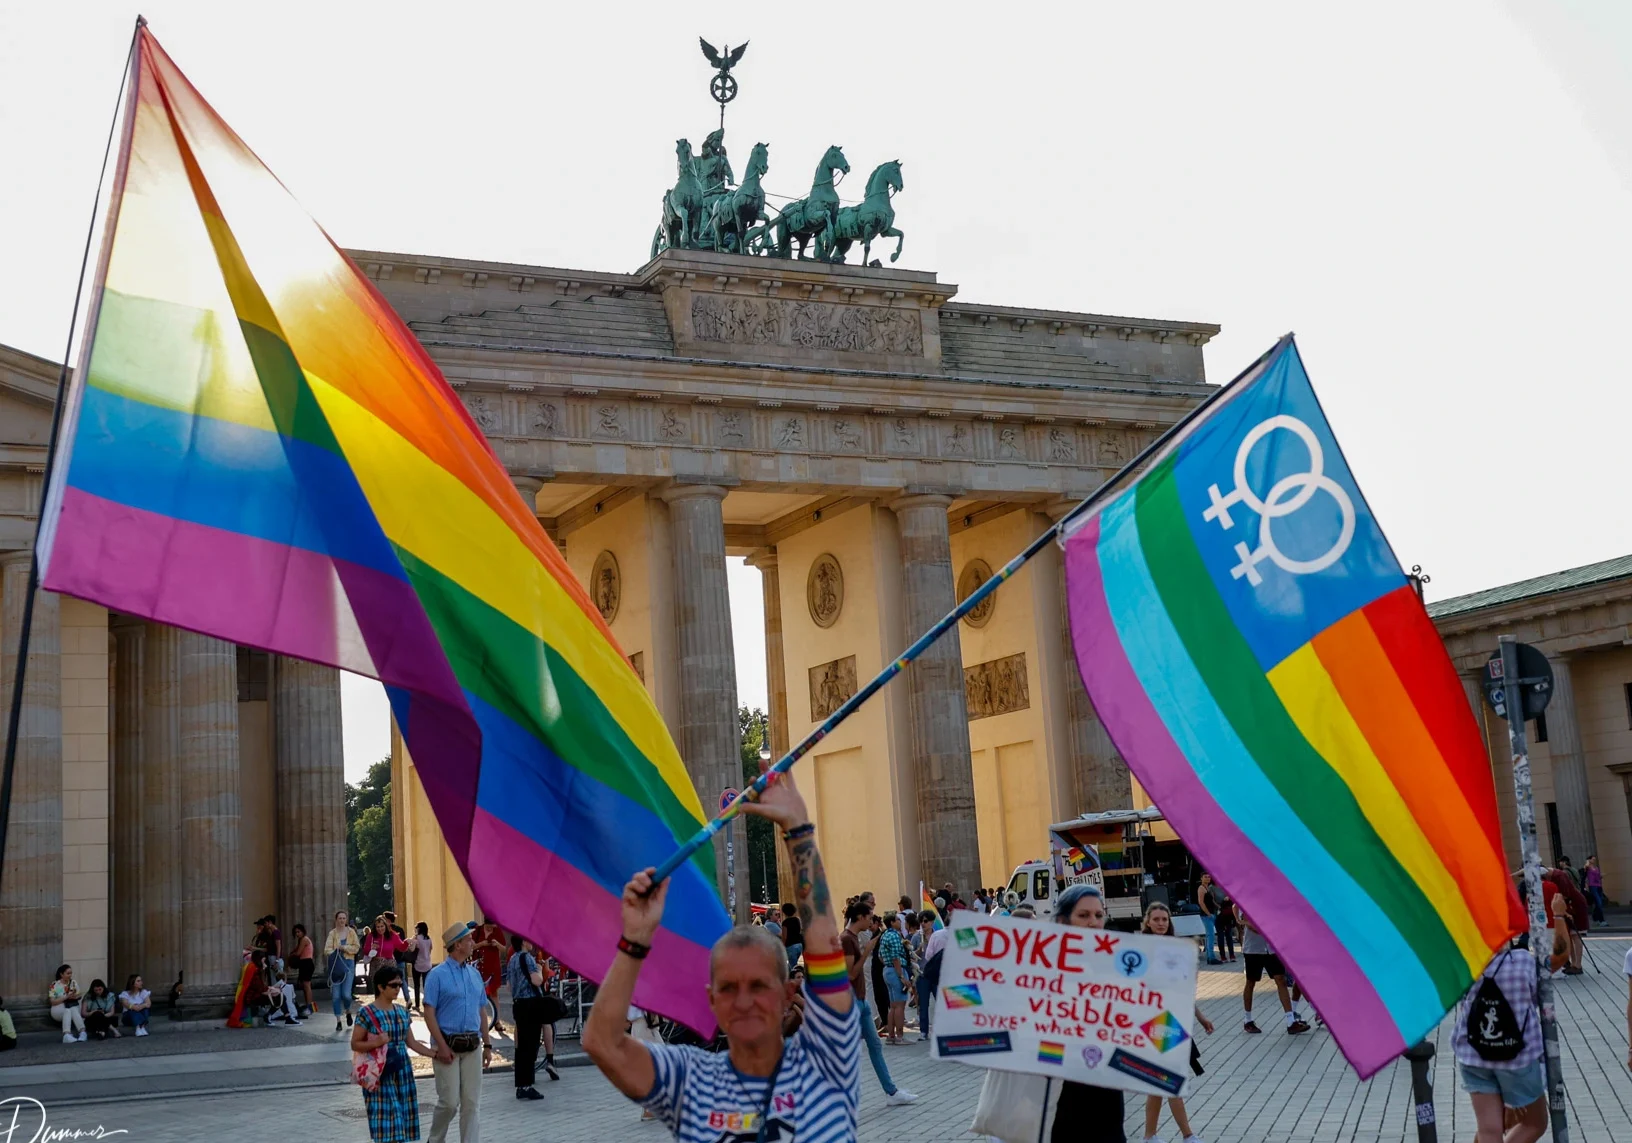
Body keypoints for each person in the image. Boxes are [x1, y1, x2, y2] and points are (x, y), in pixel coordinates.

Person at [583, 771, 866, 1139]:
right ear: (711, 1000)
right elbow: (602, 1042)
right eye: (729, 988)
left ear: (787, 993)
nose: (744, 1000)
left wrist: (799, 832)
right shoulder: (690, 1080)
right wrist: (635, 940)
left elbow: (826, 946)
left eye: (759, 986)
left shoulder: (826, 1059)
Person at [1452, 940, 1546, 1143]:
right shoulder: (1523, 961)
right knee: (1535, 1122)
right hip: (1517, 1059)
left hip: (1473, 1056)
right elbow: (1537, 996)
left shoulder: (1465, 962)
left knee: (1488, 1130)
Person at [1141, 904, 1213, 1143]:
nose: (1161, 923)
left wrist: (1201, 1017)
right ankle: (1187, 1135)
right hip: (1151, 1022)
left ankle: (1150, 1135)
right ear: (1148, 922)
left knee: (1160, 1083)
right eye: (1157, 919)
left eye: (1165, 919)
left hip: (1171, 1021)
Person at [840, 900, 918, 1104]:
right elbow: (850, 974)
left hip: (860, 1002)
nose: (871, 921)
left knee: (875, 1046)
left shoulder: (853, 937)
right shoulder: (847, 939)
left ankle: (891, 1092)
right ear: (860, 917)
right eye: (869, 917)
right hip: (851, 1003)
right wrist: (867, 950)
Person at [423, 920, 494, 1142]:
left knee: (472, 1103)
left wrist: (488, 1044)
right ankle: (435, 1140)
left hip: (473, 1045)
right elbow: (428, 1013)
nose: (473, 942)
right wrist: (441, 1046)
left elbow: (481, 1011)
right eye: (468, 939)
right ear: (457, 945)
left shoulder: (474, 975)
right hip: (448, 1045)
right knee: (449, 1102)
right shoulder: (437, 975)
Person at [354, 963, 436, 1143]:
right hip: (379, 1071)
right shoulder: (366, 1012)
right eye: (393, 985)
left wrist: (435, 1055)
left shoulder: (401, 1012)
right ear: (381, 987)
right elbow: (355, 1044)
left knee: (402, 1119)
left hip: (401, 1068)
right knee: (388, 1119)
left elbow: (412, 1042)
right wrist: (376, 1042)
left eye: (400, 984)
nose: (398, 989)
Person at [1234, 905, 1308, 1034]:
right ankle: (1248, 1020)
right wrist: (1242, 921)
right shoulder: (1245, 901)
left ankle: (1291, 1021)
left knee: (1281, 980)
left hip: (1271, 949)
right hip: (1253, 949)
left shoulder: (1269, 901)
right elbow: (1253, 926)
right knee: (1251, 982)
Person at [506, 934, 550, 1102]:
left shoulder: (512, 960)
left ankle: (521, 1085)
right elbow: (537, 981)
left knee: (521, 1047)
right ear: (524, 942)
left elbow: (509, 986)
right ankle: (527, 1086)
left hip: (518, 1004)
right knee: (530, 1046)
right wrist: (539, 968)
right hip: (530, 1004)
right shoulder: (528, 958)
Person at [325, 909, 362, 1032]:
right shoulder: (332, 933)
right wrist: (336, 951)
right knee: (336, 995)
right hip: (336, 965)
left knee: (346, 994)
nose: (342, 920)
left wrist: (344, 948)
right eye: (339, 918)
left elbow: (356, 947)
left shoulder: (351, 932)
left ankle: (348, 1010)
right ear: (336, 920)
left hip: (348, 964)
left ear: (346, 920)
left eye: (343, 918)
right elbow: (327, 950)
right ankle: (338, 1021)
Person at [471, 917, 508, 1037]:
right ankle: (477, 1020)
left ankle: (497, 1021)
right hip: (478, 967)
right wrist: (482, 944)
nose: (490, 929)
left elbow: (504, 949)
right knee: (477, 993)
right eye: (488, 927)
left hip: (493, 966)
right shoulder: (477, 931)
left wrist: (497, 944)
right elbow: (471, 947)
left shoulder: (497, 932)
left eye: (492, 927)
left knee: (494, 993)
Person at [878, 910, 910, 1044]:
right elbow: (896, 957)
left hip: (887, 970)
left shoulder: (884, 935)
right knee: (900, 1006)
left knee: (893, 1005)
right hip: (896, 971)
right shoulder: (894, 936)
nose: (900, 921)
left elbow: (880, 955)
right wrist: (902, 976)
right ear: (892, 922)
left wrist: (888, 964)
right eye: (897, 919)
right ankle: (900, 1036)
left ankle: (891, 1036)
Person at [917, 910, 947, 1041]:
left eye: (926, 921)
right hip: (922, 974)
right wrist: (917, 950)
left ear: (932, 922)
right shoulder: (917, 937)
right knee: (923, 1004)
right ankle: (923, 1031)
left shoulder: (938, 936)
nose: (923, 924)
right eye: (921, 921)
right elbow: (910, 954)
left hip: (935, 974)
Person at [362, 916, 406, 997]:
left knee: (388, 989)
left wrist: (407, 943)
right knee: (378, 989)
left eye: (382, 926)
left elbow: (402, 947)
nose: (380, 929)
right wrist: (371, 948)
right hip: (376, 965)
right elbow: (365, 950)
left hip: (389, 965)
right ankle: (379, 1006)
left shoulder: (393, 935)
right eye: (378, 927)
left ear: (386, 926)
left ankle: (387, 1007)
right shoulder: (371, 936)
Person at [48, 963, 86, 1043]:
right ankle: (67, 1034)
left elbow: (79, 995)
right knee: (67, 1010)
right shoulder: (55, 985)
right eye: (68, 973)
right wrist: (66, 997)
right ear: (61, 974)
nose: (70, 975)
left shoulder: (73, 983)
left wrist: (75, 997)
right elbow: (52, 1001)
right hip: (58, 1009)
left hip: (72, 1006)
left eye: (71, 973)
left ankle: (82, 1032)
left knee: (73, 1010)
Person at [289, 923, 316, 1016]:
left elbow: (298, 953)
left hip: (307, 963)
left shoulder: (304, 939)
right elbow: (295, 950)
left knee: (306, 985)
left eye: (298, 932)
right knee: (304, 986)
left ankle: (309, 1007)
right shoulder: (301, 940)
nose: (297, 934)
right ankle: (308, 1005)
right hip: (303, 963)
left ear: (302, 931)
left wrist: (291, 956)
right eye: (295, 932)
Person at [1195, 873, 1222, 965]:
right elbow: (1201, 903)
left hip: (1211, 914)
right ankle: (1211, 958)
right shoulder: (1201, 888)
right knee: (1210, 936)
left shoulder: (1208, 888)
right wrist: (1208, 914)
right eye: (1205, 877)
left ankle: (1209, 957)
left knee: (1209, 936)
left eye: (1209, 877)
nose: (1207, 878)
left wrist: (1218, 907)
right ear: (1201, 878)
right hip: (1206, 915)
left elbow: (1212, 900)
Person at [411, 922, 434, 1013]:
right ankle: (427, 1003)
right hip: (427, 964)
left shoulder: (416, 938)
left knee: (417, 985)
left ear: (419, 929)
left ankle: (417, 1005)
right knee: (426, 986)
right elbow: (430, 949)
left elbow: (412, 949)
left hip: (417, 964)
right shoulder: (429, 939)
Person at [781, 900, 804, 970]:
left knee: (793, 965)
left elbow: (784, 936)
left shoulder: (785, 923)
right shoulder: (797, 919)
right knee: (794, 963)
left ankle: (795, 977)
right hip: (799, 944)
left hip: (790, 945)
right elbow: (800, 930)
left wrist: (782, 946)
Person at [1584, 855, 1607, 924]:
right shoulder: (1587, 867)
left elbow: (1598, 876)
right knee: (1598, 902)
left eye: (1594, 859)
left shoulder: (1596, 867)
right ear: (1589, 860)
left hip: (1599, 885)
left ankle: (1595, 917)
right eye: (1593, 859)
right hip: (1592, 886)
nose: (1594, 861)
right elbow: (1585, 869)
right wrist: (1587, 862)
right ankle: (1601, 920)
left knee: (1599, 903)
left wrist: (1601, 876)